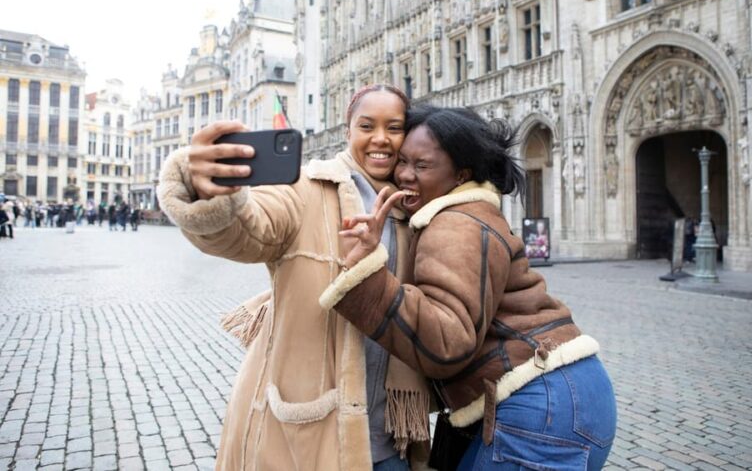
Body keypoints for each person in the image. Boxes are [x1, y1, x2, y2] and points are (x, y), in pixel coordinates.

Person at [322, 106, 617, 470]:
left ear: (460, 174)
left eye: (422, 165)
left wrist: (367, 278)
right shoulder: (473, 212)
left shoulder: (454, 223)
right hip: (564, 397)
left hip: (542, 406)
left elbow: (447, 342)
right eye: (403, 162)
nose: (405, 174)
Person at [156, 84, 431, 471]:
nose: (381, 138)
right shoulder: (306, 188)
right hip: (311, 435)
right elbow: (247, 229)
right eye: (367, 126)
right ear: (348, 131)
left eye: (395, 127)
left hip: (388, 440)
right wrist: (208, 191)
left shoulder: (414, 209)